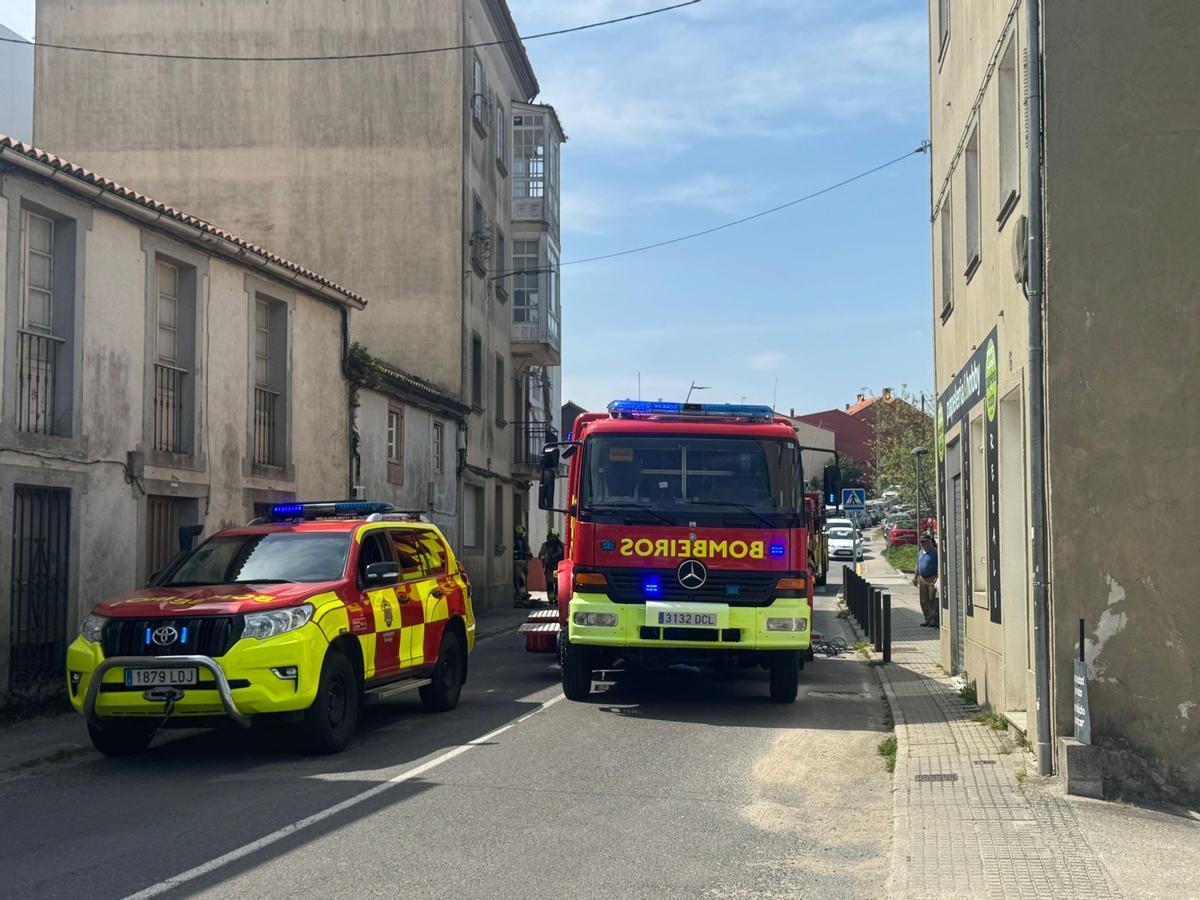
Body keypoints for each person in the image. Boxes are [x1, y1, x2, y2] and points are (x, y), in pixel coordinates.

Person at [913, 532, 939, 627]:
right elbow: (917, 565)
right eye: (921, 542)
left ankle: (933, 620)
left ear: (929, 542)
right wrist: (915, 577)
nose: (923, 544)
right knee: (923, 601)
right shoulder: (920, 553)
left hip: (932, 578)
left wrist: (937, 576)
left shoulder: (935, 553)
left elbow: (939, 565)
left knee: (932, 600)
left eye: (925, 541)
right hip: (922, 579)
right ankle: (927, 619)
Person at [538, 530, 565, 605]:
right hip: (549, 567)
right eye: (551, 537)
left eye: (553, 537)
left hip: (559, 568)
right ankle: (551, 598)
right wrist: (546, 557)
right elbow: (540, 556)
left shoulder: (561, 545)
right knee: (549, 583)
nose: (552, 539)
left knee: (558, 584)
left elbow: (565, 556)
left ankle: (557, 598)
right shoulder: (545, 545)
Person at [513, 526, 532, 607]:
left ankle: (523, 594)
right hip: (517, 561)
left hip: (522, 561)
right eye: (522, 532)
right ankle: (522, 594)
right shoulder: (515, 540)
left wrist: (528, 555)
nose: (524, 534)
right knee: (519, 578)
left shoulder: (522, 540)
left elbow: (527, 550)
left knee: (521, 577)